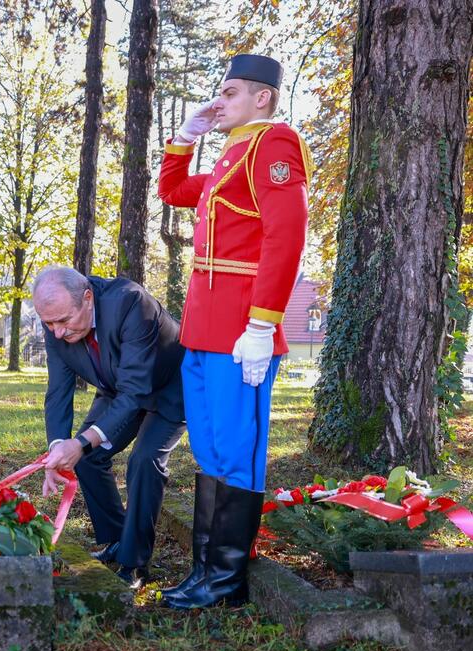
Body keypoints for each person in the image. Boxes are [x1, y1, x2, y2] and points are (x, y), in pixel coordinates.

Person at [156, 54, 313, 608]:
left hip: (242, 329)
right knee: (209, 447)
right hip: (204, 328)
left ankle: (226, 580)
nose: (217, 102)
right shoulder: (231, 157)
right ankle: (205, 570)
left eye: (228, 93)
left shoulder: (274, 145)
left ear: (261, 97)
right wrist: (184, 136)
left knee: (235, 450)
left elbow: (285, 238)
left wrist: (262, 323)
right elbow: (174, 192)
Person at [35, 266, 186, 588]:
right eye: (49, 324)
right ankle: (119, 540)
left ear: (87, 298)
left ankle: (136, 563)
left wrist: (81, 442)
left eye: (64, 321)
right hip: (119, 390)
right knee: (87, 457)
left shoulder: (130, 302)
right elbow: (58, 392)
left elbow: (136, 392)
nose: (57, 332)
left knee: (145, 460)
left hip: (170, 388)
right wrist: (57, 449)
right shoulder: (56, 326)